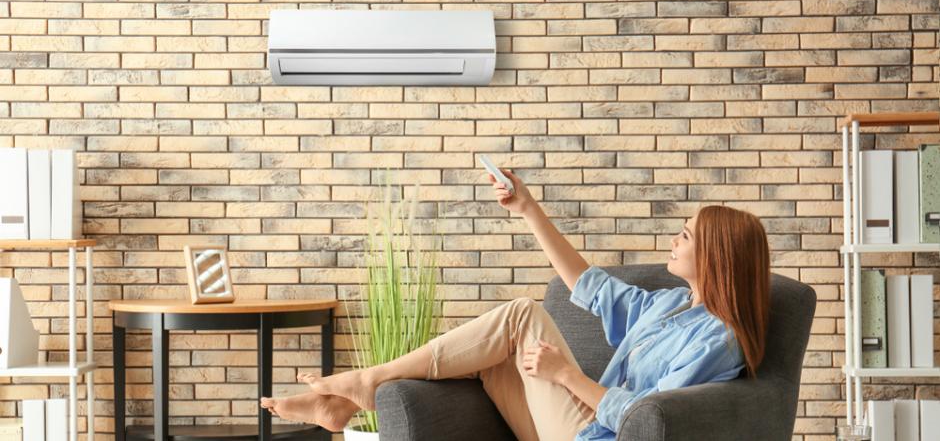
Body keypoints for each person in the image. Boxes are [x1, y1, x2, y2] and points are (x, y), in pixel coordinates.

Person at [260, 168, 771, 441]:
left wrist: (566, 377)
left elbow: (650, 419)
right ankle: (350, 400)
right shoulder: (671, 305)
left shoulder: (718, 340)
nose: (674, 242)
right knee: (497, 349)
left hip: (596, 438)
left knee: (523, 315)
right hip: (574, 426)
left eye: (684, 236)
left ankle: (362, 386)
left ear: (717, 257)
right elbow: (586, 282)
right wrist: (528, 210)